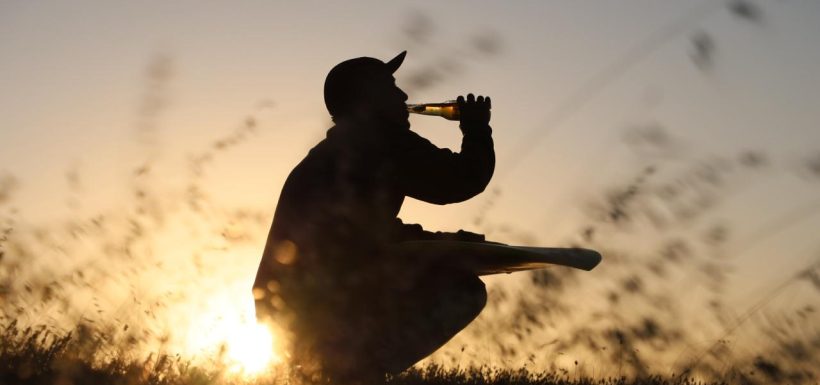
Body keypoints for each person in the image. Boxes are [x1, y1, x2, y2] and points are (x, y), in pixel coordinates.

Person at [253, 51, 494, 382]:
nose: (403, 95)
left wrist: (444, 242)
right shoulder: (380, 140)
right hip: (325, 306)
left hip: (283, 313)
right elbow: (461, 179)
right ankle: (358, 372)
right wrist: (477, 128)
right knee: (463, 290)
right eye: (391, 86)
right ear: (369, 96)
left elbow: (368, 233)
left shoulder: (334, 152)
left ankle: (347, 372)